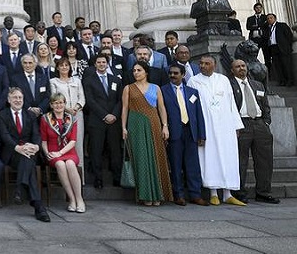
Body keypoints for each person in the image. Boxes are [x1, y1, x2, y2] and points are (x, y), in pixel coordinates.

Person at [189, 56, 246, 206]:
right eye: (201, 63)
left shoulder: (223, 80)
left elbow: (231, 103)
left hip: (225, 125)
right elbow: (192, 106)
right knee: (210, 157)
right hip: (207, 125)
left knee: (228, 157)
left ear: (214, 65)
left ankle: (228, 194)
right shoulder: (194, 81)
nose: (203, 66)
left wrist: (236, 125)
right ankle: (213, 192)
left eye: (206, 64)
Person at [121, 61, 173, 206]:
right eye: (134, 70)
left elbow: (161, 108)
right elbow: (125, 108)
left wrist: (165, 126)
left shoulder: (156, 88)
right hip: (135, 124)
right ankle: (145, 195)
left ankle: (158, 194)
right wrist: (123, 127)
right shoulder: (128, 88)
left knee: (157, 155)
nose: (136, 73)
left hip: (154, 123)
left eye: (139, 70)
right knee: (141, 158)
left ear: (146, 72)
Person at [228, 59, 280, 204]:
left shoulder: (257, 84)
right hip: (241, 124)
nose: (241, 69)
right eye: (237, 67)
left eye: (243, 66)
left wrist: (266, 121)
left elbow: (265, 105)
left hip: (260, 124)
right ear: (232, 70)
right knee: (240, 160)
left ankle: (263, 192)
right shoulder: (229, 85)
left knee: (265, 160)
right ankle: (238, 191)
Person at [0, 87, 50, 222]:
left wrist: (36, 146)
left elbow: (36, 134)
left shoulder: (30, 115)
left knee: (28, 159)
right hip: (12, 152)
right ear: (9, 100)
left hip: (30, 150)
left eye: (20, 97)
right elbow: (4, 136)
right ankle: (37, 205)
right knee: (28, 162)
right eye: (15, 97)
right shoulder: (2, 115)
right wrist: (17, 148)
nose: (18, 100)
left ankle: (21, 190)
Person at [162, 64, 208, 206]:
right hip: (174, 132)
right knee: (176, 165)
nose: (172, 76)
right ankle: (178, 195)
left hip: (190, 132)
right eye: (170, 73)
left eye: (176, 73)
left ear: (183, 75)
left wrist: (202, 134)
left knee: (193, 165)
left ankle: (195, 194)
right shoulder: (163, 90)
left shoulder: (192, 91)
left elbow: (199, 114)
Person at [82, 53, 123, 189]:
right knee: (96, 150)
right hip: (97, 120)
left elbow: (119, 100)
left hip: (114, 121)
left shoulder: (115, 80)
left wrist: (114, 115)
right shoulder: (89, 80)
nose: (101, 64)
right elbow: (90, 101)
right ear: (95, 64)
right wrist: (105, 115)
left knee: (115, 150)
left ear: (107, 64)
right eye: (99, 62)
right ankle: (97, 179)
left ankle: (117, 178)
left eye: (104, 62)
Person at [40, 93, 85, 213]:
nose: (58, 105)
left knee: (70, 164)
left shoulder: (72, 119)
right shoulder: (45, 118)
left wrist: (60, 153)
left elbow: (73, 141)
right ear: (51, 105)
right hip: (52, 152)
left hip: (68, 151)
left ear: (65, 104)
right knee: (60, 164)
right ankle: (72, 200)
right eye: (55, 103)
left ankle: (79, 199)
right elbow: (44, 141)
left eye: (61, 102)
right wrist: (47, 153)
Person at [49, 58, 86, 165]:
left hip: (77, 114)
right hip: (61, 115)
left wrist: (76, 108)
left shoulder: (77, 80)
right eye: (61, 65)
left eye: (66, 65)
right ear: (57, 67)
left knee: (78, 143)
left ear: (70, 67)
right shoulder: (53, 81)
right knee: (63, 143)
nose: (64, 67)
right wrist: (66, 109)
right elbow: (54, 98)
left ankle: (80, 176)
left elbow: (82, 98)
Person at [263, 13, 294, 86]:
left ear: (275, 19)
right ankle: (282, 80)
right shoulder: (267, 28)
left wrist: (287, 47)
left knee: (286, 65)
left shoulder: (282, 25)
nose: (269, 20)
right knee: (278, 66)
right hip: (273, 48)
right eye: (268, 19)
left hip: (282, 48)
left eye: (271, 18)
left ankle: (290, 80)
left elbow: (289, 36)